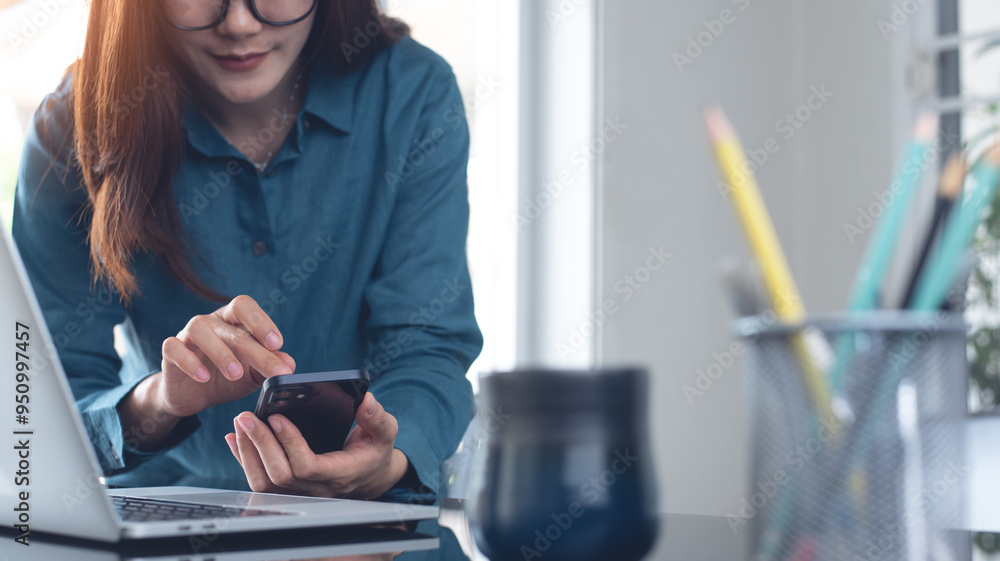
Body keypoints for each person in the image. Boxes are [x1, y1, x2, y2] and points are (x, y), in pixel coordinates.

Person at [13, 0, 481, 500]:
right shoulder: (74, 122)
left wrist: (385, 464)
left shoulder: (413, 92)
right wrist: (162, 399)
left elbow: (427, 348)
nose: (238, 23)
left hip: (366, 512)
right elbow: (40, 406)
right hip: (162, 509)